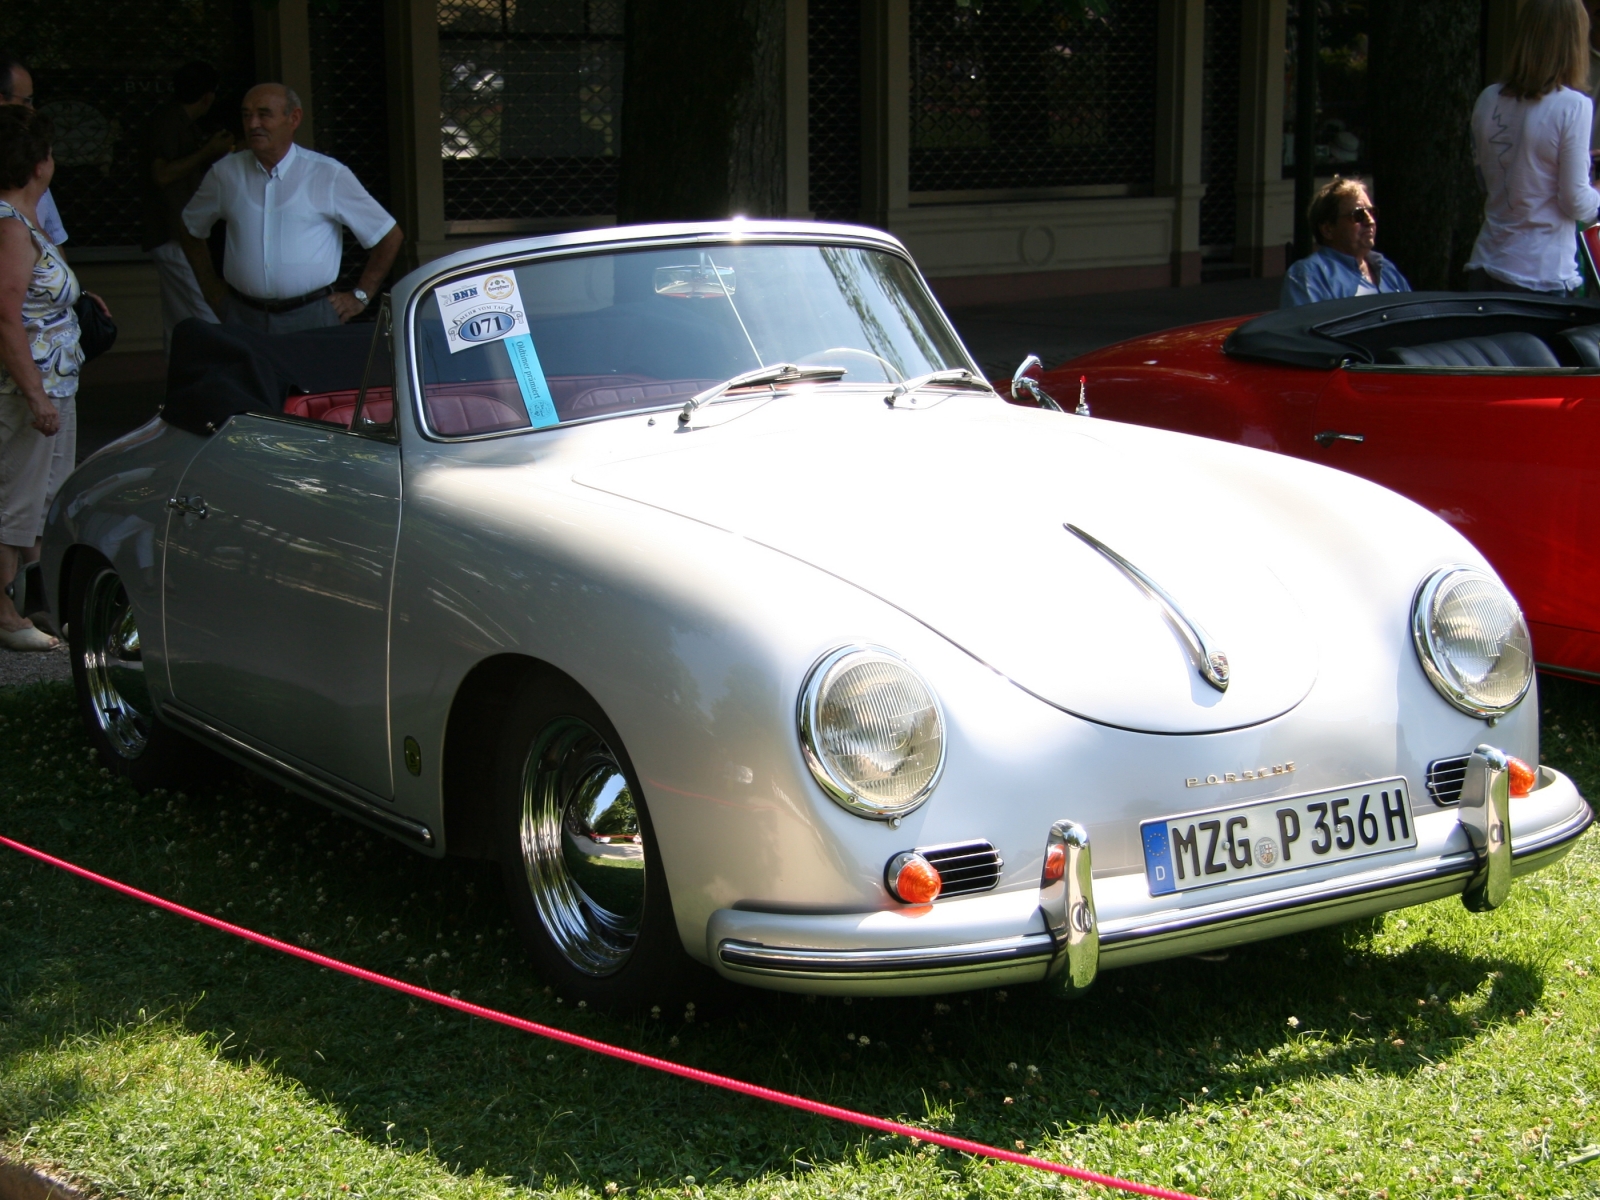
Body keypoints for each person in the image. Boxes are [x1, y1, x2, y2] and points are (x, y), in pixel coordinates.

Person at [0, 108, 109, 651]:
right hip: (28, 390)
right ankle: (4, 613)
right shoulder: (8, 227)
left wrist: (78, 304)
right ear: (39, 164)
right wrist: (34, 393)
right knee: (15, 500)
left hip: (58, 381)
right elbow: (6, 312)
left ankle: (37, 599)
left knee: (44, 497)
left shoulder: (27, 220)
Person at [182, 83, 404, 332]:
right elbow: (190, 228)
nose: (253, 124)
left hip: (311, 318)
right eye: (246, 115)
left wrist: (360, 296)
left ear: (294, 118)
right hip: (242, 316)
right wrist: (209, 288)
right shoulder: (224, 174)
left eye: (264, 114)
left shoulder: (328, 174)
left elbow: (389, 235)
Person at [1466, 0, 1600, 295]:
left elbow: (1487, 179)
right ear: (1573, 40)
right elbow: (1576, 202)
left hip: (1486, 265)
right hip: (1540, 275)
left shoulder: (1487, 98)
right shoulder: (1573, 105)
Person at [142, 61, 234, 354]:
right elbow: (163, 174)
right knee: (205, 310)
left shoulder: (178, 122)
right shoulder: (169, 122)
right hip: (174, 233)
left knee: (179, 318)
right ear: (208, 96)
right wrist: (207, 151)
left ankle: (177, 387)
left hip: (177, 233)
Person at [1280, 178, 1412, 307]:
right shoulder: (1308, 276)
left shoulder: (1385, 268)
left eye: (1371, 212)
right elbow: (1309, 327)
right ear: (1327, 230)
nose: (1370, 221)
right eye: (1358, 215)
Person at [0, 52, 66, 246]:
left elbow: (53, 239)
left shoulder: (28, 156)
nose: (32, 110)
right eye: (26, 100)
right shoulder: (11, 231)